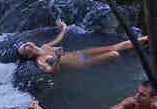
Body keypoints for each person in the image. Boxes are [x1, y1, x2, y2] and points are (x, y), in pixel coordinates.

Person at [16, 20, 146, 73]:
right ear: (28, 54)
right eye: (24, 48)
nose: (25, 44)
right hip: (81, 62)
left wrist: (64, 27)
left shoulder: (44, 46)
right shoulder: (40, 60)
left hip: (80, 53)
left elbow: (58, 39)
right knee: (114, 54)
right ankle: (119, 68)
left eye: (24, 44)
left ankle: (146, 38)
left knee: (113, 47)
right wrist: (59, 58)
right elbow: (52, 71)